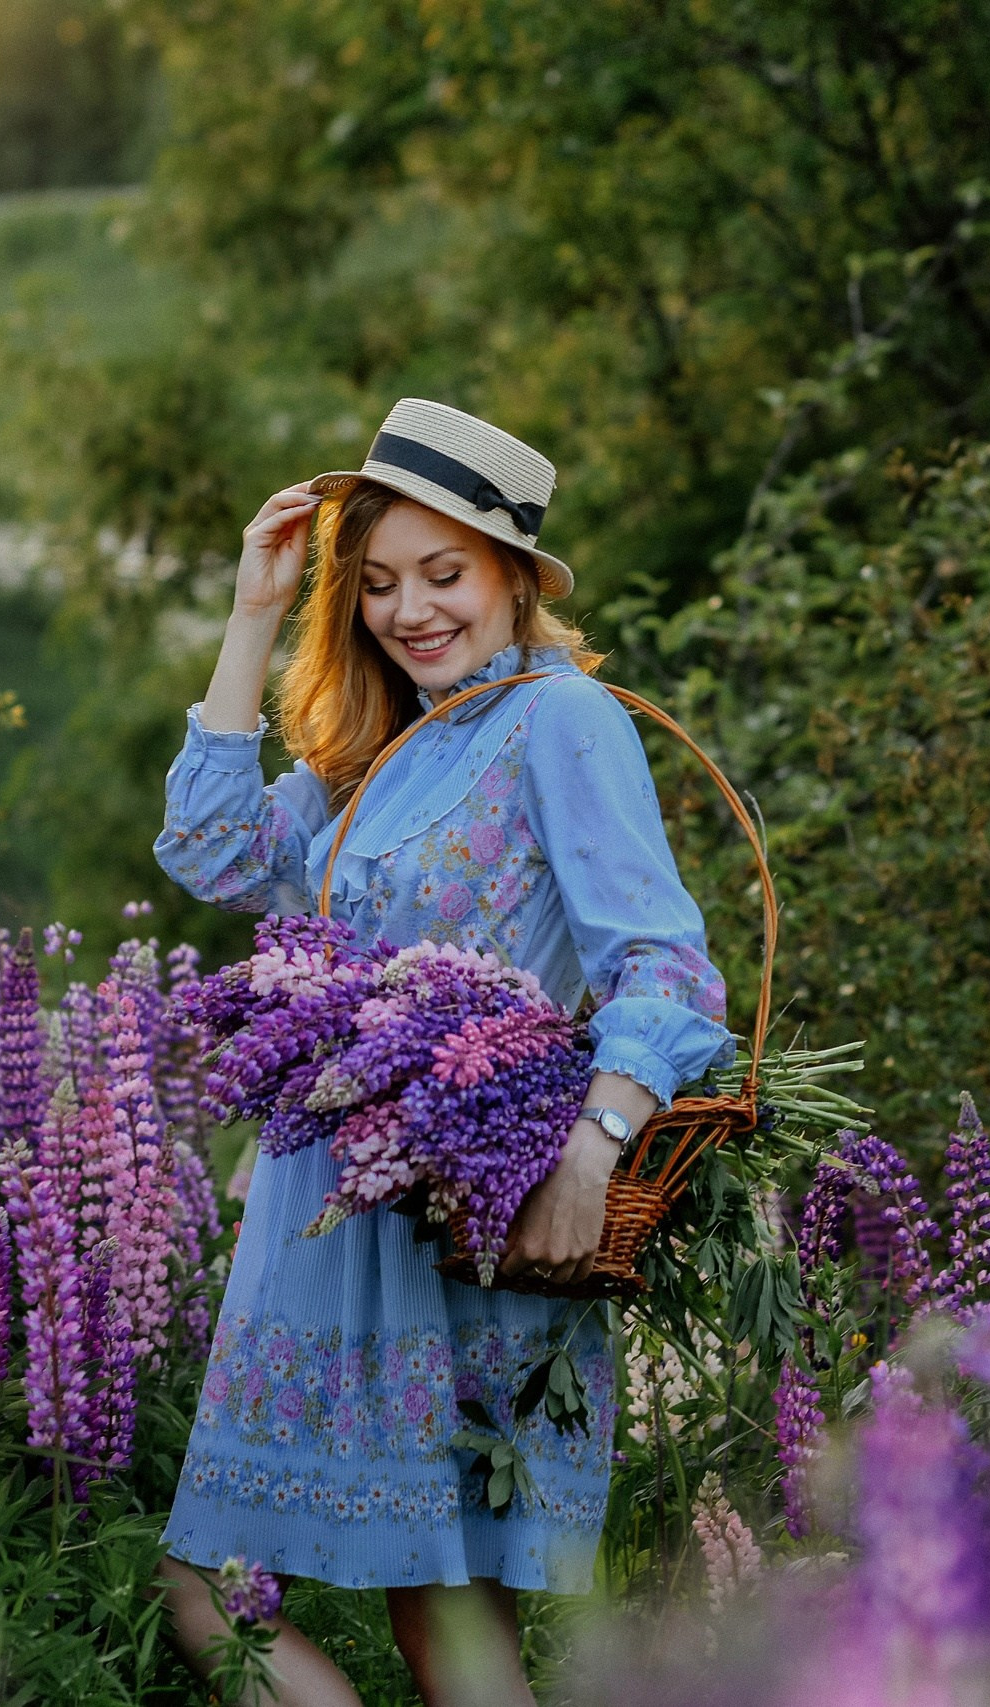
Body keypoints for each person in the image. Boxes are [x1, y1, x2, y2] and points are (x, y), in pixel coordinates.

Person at [150, 400, 733, 1704]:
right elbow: (214, 855)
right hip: (320, 1225)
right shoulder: (379, 744)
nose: (409, 610)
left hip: (464, 1216)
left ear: (515, 576)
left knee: (438, 1628)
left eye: (444, 574)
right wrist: (254, 618)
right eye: (375, 584)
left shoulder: (558, 720)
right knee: (222, 1597)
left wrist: (594, 1145)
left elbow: (668, 964)